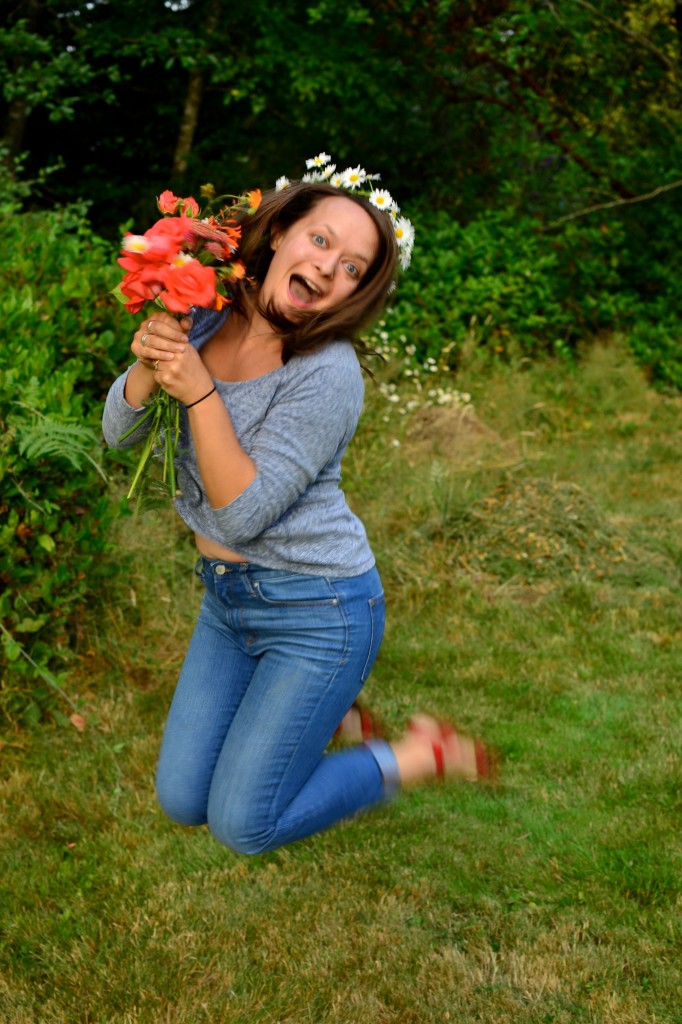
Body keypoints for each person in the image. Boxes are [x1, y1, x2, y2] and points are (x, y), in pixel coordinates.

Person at [102, 156, 495, 855]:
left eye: (352, 268)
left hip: (321, 611)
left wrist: (197, 393)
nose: (328, 267)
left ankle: (412, 755)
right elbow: (119, 434)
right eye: (320, 241)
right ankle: (328, 712)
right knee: (183, 800)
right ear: (279, 232)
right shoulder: (205, 313)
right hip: (227, 599)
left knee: (242, 825)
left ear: (355, 293)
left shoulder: (328, 374)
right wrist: (148, 360)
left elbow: (242, 514)